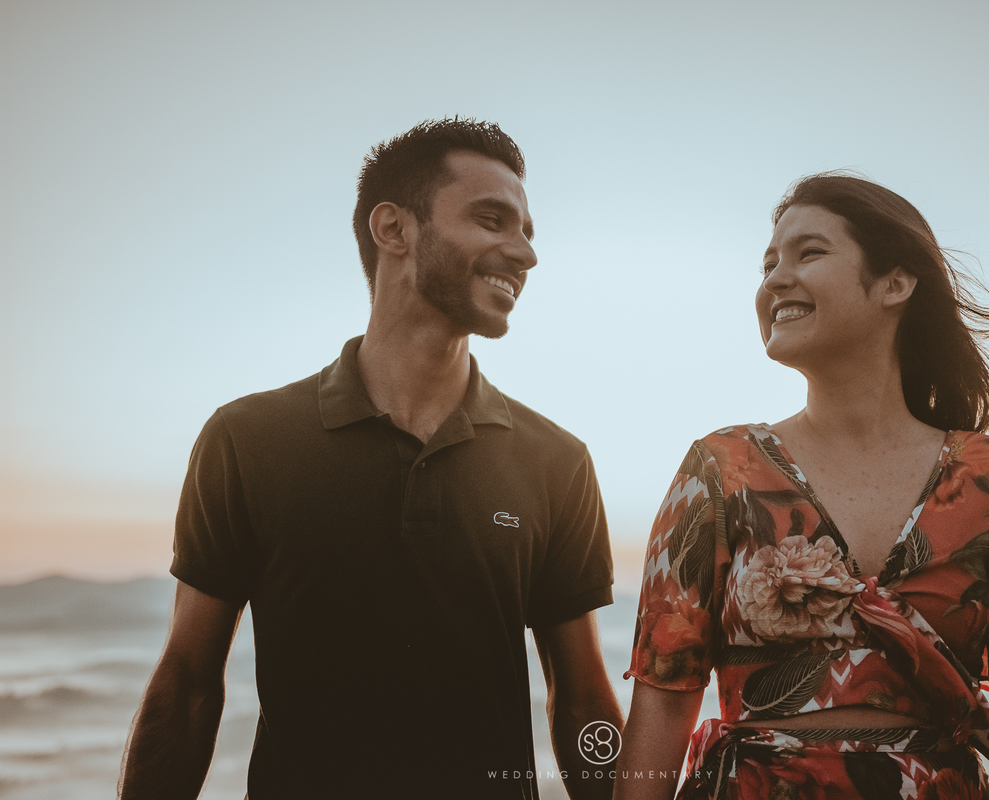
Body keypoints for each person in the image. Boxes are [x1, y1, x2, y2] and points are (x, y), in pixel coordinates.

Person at [119, 118, 623, 800]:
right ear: (394, 230)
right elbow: (185, 687)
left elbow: (584, 699)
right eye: (492, 219)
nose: (524, 253)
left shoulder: (555, 461)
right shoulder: (247, 439)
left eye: (528, 231)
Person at [614, 173, 989, 800]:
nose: (774, 279)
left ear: (895, 283)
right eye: (768, 264)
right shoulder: (721, 469)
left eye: (808, 253)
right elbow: (659, 709)